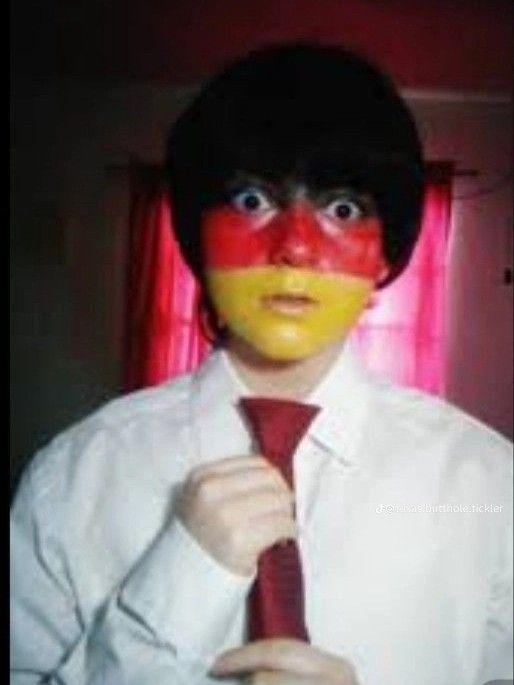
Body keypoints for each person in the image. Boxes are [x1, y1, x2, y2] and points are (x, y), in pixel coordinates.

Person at [10, 44, 512, 685]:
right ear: (194, 237)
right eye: (252, 201)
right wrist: (171, 594)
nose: (295, 248)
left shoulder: (488, 488)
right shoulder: (71, 480)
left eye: (342, 209)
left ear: (388, 255)